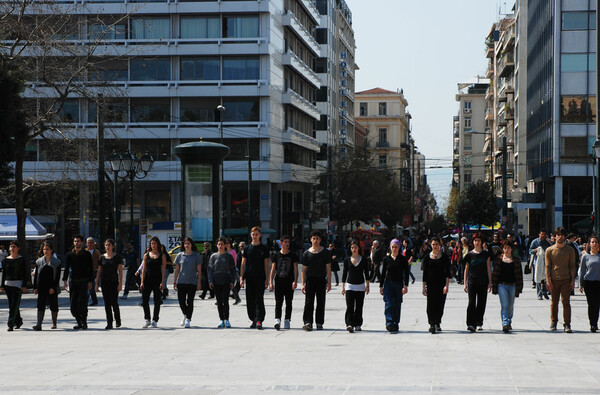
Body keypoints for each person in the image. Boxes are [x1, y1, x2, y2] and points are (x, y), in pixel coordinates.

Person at [545, 227, 576, 333]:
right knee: (554, 302)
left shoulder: (570, 250)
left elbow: (572, 266)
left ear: (565, 237)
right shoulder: (549, 250)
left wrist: (572, 280)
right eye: (558, 235)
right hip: (554, 280)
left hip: (566, 279)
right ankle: (553, 322)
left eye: (562, 235)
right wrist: (548, 281)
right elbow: (548, 266)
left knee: (566, 302)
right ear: (554, 237)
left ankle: (567, 324)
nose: (560, 237)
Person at [240, 226, 270, 329]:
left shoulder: (264, 249)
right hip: (249, 277)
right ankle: (253, 319)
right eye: (253, 234)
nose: (255, 236)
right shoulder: (247, 248)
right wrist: (241, 278)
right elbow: (243, 264)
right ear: (250, 235)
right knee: (250, 299)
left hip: (260, 277)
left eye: (257, 234)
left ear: (260, 235)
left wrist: (267, 279)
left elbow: (266, 265)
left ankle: (259, 320)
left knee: (259, 298)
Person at [301, 230, 332, 331]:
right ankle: (308, 321)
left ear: (320, 240)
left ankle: (319, 322)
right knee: (309, 301)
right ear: (310, 240)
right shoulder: (306, 253)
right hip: (310, 280)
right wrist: (302, 283)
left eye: (317, 238)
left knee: (321, 301)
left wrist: (329, 282)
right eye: (313, 238)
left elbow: (328, 268)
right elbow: (304, 270)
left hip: (321, 279)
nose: (315, 240)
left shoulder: (325, 252)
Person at [62, 235, 94, 330]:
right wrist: (64, 281)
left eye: (78, 241)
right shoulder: (69, 255)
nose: (77, 243)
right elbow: (67, 268)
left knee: (83, 303)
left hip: (84, 282)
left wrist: (91, 281)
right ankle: (78, 321)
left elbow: (90, 269)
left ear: (82, 242)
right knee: (73, 304)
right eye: (75, 241)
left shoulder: (87, 254)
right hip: (73, 282)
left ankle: (84, 322)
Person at [491, 241, 523, 333]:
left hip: (512, 285)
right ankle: (505, 323)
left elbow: (519, 275)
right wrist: (494, 286)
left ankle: (509, 322)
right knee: (504, 305)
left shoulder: (516, 260)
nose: (506, 249)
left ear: (511, 249)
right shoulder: (499, 259)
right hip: (502, 285)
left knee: (510, 306)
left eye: (508, 248)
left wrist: (519, 287)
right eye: (504, 248)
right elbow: (495, 274)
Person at [422, 237, 451, 334]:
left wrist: (446, 286)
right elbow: (425, 274)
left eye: (437, 244)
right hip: (430, 284)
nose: (435, 246)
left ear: (440, 245)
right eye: (433, 244)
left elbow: (448, 273)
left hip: (441, 284)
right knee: (430, 305)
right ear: (431, 245)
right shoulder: (427, 257)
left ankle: (437, 322)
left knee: (440, 304)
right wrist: (423, 287)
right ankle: (431, 324)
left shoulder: (445, 257)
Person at [463, 232, 492, 332]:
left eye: (479, 240)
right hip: (472, 281)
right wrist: (464, 283)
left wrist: (490, 282)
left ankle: (479, 322)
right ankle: (471, 323)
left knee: (481, 302)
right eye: (475, 240)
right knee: (471, 302)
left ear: (481, 242)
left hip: (483, 281)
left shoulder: (486, 254)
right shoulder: (469, 255)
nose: (477, 242)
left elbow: (489, 268)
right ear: (473, 242)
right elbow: (466, 269)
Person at [269, 235, 299, 330]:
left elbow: (296, 269)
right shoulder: (276, 255)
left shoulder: (293, 255)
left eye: (288, 242)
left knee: (289, 302)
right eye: (285, 242)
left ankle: (287, 319)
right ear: (281, 243)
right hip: (278, 281)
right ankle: (277, 319)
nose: (287, 244)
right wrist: (270, 281)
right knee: (278, 301)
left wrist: (295, 281)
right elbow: (273, 269)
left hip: (289, 281)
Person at [380, 239, 409, 333]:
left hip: (398, 284)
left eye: (396, 247)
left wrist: (406, 285)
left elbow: (406, 273)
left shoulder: (403, 259)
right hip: (388, 284)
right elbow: (383, 273)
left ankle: (395, 322)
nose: (394, 249)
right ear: (390, 247)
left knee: (397, 303)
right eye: (392, 247)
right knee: (388, 303)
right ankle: (389, 322)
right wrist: (381, 286)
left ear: (399, 247)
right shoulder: (386, 259)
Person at [1, 241, 30, 331]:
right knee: (11, 304)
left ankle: (10, 323)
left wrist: (24, 285)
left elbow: (24, 273)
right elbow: (4, 273)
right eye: (11, 247)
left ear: (18, 248)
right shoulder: (5, 260)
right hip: (8, 284)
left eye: (14, 247)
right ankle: (18, 321)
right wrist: (2, 285)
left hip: (17, 284)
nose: (12, 248)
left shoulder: (21, 260)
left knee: (14, 304)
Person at [32, 242, 62, 330]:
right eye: (44, 249)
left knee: (53, 305)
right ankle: (39, 324)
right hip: (42, 286)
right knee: (40, 305)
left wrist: (53, 287)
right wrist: (35, 287)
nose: (46, 251)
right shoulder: (39, 262)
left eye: (47, 249)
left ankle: (54, 322)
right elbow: (37, 275)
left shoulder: (57, 262)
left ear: (51, 250)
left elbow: (57, 277)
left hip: (52, 286)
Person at [208, 237, 237, 328]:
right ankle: (221, 319)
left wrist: (232, 281)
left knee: (225, 301)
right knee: (219, 301)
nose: (220, 246)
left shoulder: (229, 256)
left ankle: (227, 319)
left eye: (222, 244)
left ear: (225, 245)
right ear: (217, 245)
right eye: (219, 244)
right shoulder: (213, 256)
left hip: (226, 281)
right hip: (216, 281)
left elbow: (233, 270)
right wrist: (210, 281)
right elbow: (210, 269)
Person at [173, 237, 202, 328]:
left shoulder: (196, 255)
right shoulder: (180, 255)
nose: (187, 245)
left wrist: (199, 282)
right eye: (185, 243)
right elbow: (177, 269)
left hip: (192, 282)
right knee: (181, 301)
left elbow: (199, 271)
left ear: (191, 245)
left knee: (190, 301)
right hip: (181, 282)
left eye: (188, 243)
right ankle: (185, 314)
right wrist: (174, 281)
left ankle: (188, 319)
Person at [342, 240, 370, 333]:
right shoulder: (347, 260)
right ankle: (349, 324)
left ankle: (358, 324)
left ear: (359, 248)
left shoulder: (364, 259)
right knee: (349, 306)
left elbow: (366, 272)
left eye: (355, 247)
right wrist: (343, 286)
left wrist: (367, 285)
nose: (354, 249)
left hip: (360, 286)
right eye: (352, 247)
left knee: (359, 306)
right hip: (349, 286)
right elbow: (344, 273)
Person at [95, 238, 123, 330]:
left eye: (109, 245)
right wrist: (96, 284)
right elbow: (99, 271)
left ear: (113, 246)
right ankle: (109, 322)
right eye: (106, 245)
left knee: (114, 302)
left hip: (114, 282)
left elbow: (120, 271)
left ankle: (118, 320)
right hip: (104, 282)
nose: (108, 247)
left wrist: (120, 284)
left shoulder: (116, 257)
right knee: (107, 303)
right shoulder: (101, 257)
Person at [140, 236, 167, 328]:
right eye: (151, 243)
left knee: (157, 300)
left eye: (155, 243)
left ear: (158, 244)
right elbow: (143, 269)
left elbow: (163, 269)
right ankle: (147, 319)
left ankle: (155, 320)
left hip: (157, 280)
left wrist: (163, 282)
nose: (153, 245)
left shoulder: (162, 255)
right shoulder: (146, 255)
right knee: (145, 300)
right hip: (147, 279)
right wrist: (142, 281)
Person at [579, 235, 600, 332]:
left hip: (598, 283)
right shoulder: (585, 256)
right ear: (589, 244)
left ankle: (595, 321)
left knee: (597, 304)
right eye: (592, 242)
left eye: (596, 242)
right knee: (591, 304)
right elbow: (582, 271)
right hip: (589, 283)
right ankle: (593, 324)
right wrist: (580, 284)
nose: (594, 244)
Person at [226, 238, 241, 304]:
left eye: (228, 243)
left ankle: (237, 298)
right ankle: (237, 298)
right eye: (225, 243)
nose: (227, 244)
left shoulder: (233, 251)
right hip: (224, 269)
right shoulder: (224, 251)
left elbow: (235, 261)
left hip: (231, 269)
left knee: (230, 284)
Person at [86, 237, 100, 306]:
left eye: (90, 243)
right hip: (87, 271)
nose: (89, 244)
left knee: (92, 286)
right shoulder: (85, 251)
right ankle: (91, 299)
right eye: (88, 243)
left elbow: (100, 262)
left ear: (93, 244)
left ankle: (94, 300)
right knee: (87, 286)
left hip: (94, 271)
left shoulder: (97, 252)